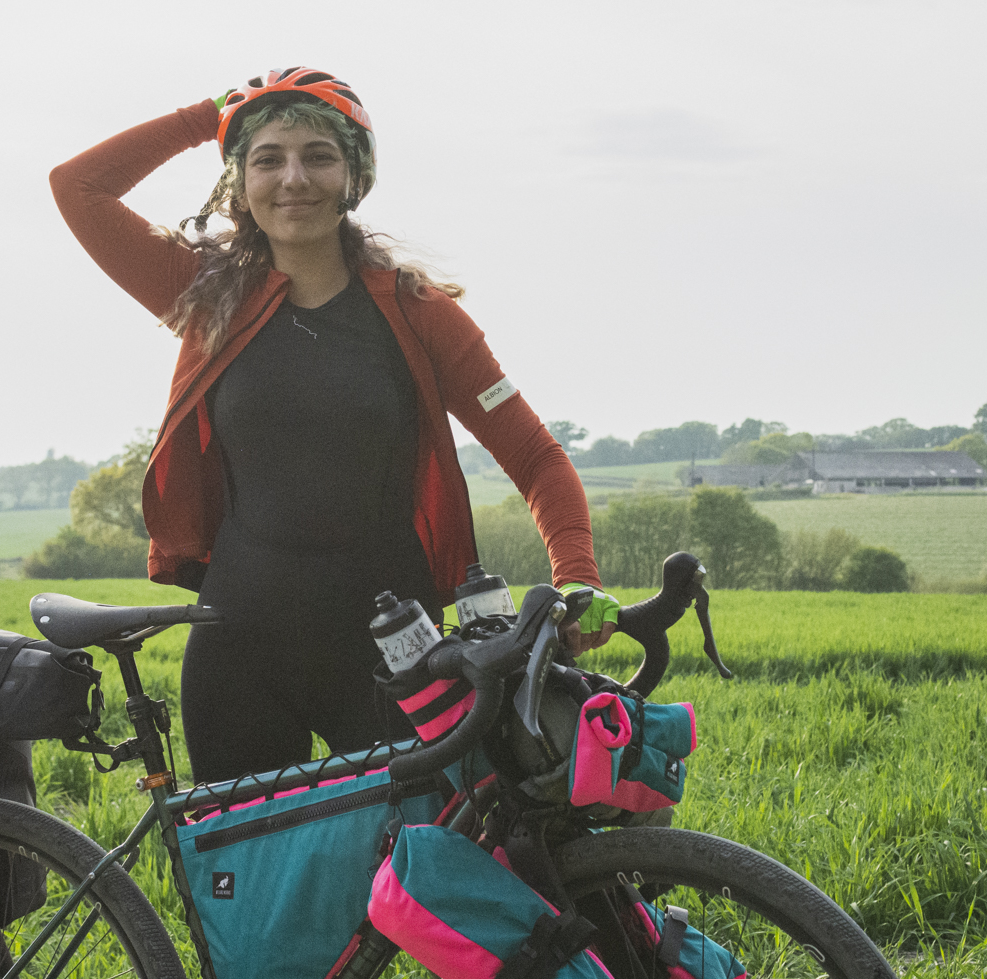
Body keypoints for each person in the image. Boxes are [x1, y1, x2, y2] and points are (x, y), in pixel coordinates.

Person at [51, 68, 617, 785]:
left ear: (354, 176)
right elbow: (78, 188)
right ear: (240, 182)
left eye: (319, 155)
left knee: (416, 878)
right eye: (268, 158)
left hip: (393, 650)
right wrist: (207, 117)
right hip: (240, 646)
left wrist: (578, 578)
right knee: (252, 886)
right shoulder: (207, 295)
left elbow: (536, 457)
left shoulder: (416, 311)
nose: (294, 178)